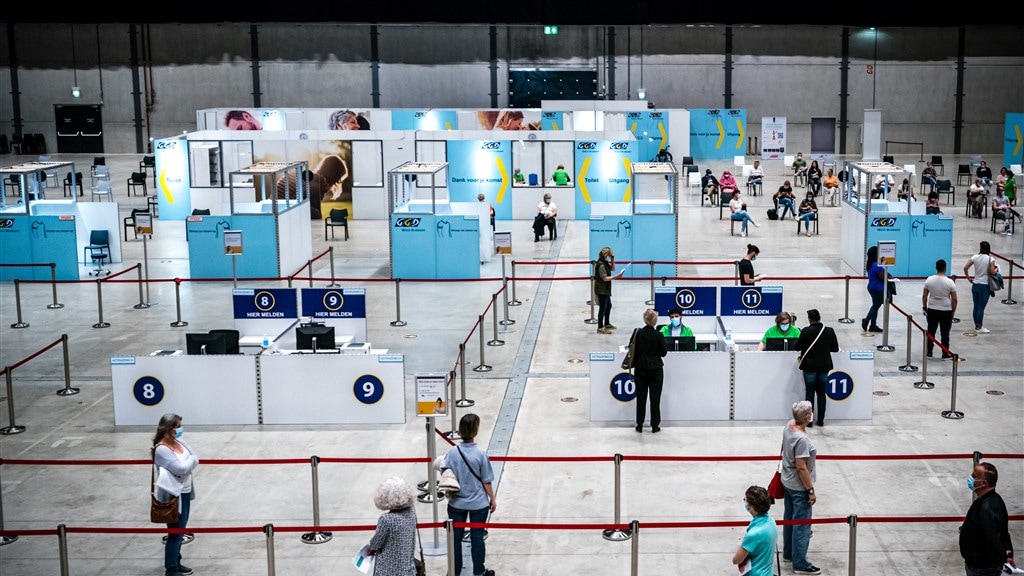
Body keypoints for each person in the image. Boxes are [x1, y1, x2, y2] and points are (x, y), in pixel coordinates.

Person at [442, 413, 497, 576]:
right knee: (477, 538)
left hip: (456, 503)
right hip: (478, 504)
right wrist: (492, 499)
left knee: (455, 540)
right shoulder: (480, 454)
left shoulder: (452, 452)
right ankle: (479, 571)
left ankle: (455, 571)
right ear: (476, 430)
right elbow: (486, 481)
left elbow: (445, 471)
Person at [152, 413, 199, 576]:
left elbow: (195, 457)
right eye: (178, 426)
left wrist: (190, 462)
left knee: (180, 531)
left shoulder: (179, 442)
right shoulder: (162, 450)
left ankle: (176, 562)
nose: (180, 429)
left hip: (185, 491)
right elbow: (182, 468)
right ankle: (171, 569)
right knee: (175, 533)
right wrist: (190, 462)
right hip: (173, 496)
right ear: (168, 428)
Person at [780, 400, 819, 575]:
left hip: (786, 481)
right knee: (802, 525)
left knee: (789, 519)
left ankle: (789, 554)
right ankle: (800, 563)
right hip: (798, 486)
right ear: (807, 417)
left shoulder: (789, 425)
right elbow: (801, 467)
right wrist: (810, 490)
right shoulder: (801, 439)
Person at [960, 461, 1016, 576]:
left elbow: (992, 538)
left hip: (981, 567)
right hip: (981, 565)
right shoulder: (994, 499)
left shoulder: (987, 509)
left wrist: (1003, 557)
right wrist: (1008, 553)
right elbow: (1003, 531)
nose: (970, 478)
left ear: (983, 483)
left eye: (974, 476)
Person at [365, 476, 417, 576]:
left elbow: (376, 543)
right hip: (408, 569)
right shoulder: (411, 511)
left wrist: (370, 548)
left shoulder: (386, 519)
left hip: (388, 571)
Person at [795, 309, 839, 427]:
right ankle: (820, 420)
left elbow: (797, 346)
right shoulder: (829, 331)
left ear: (809, 320)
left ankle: (809, 421)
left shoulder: (806, 331)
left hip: (809, 366)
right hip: (824, 366)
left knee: (809, 393)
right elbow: (835, 348)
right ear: (820, 318)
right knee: (821, 393)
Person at [631, 308, 668, 433]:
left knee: (641, 398)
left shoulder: (637, 333)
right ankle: (655, 425)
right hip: (655, 369)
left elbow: (631, 347)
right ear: (655, 321)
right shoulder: (659, 335)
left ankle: (639, 424)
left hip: (640, 368)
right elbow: (663, 353)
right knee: (655, 398)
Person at [732, 485, 778, 576]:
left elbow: (736, 560)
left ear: (752, 506)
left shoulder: (754, 534)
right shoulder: (771, 521)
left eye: (746, 500)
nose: (745, 503)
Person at [922, 259, 957, 360]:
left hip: (932, 309)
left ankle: (929, 351)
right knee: (945, 333)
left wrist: (924, 307)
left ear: (936, 268)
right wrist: (953, 311)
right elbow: (954, 299)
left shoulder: (929, 280)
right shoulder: (950, 282)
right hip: (946, 310)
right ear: (945, 268)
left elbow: (925, 295)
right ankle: (945, 353)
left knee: (931, 331)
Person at [963, 241, 998, 334]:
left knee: (976, 306)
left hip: (975, 284)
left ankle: (976, 325)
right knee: (981, 307)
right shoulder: (991, 259)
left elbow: (965, 268)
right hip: (985, 286)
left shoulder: (975, 257)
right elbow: (992, 272)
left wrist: (968, 278)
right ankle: (979, 327)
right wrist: (996, 270)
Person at [594, 246, 626, 334]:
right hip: (602, 289)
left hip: (606, 289)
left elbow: (613, 268)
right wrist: (616, 277)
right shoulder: (601, 265)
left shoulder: (605, 263)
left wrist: (612, 259)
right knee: (602, 308)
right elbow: (604, 278)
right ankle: (600, 327)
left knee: (608, 306)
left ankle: (607, 323)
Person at [862, 245, 886, 333]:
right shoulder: (877, 266)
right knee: (875, 307)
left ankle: (868, 321)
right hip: (877, 289)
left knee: (875, 306)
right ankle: (871, 323)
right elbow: (883, 277)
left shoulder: (870, 264)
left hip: (871, 286)